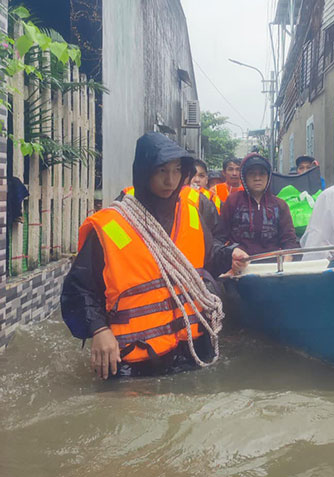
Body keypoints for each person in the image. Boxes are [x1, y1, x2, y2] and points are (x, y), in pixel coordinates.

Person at [61, 132, 249, 379]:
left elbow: (203, 260)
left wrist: (229, 255)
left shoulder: (191, 214)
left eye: (177, 170)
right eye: (161, 170)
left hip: (189, 351)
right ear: (144, 171)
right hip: (131, 358)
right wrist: (98, 330)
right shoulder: (114, 227)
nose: (170, 180)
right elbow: (79, 288)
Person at [216, 152, 300, 258]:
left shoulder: (280, 205)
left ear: (268, 177)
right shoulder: (233, 202)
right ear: (244, 177)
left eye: (262, 173)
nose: (257, 178)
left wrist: (288, 258)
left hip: (273, 266)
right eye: (252, 173)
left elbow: (289, 240)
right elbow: (218, 239)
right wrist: (232, 252)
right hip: (240, 265)